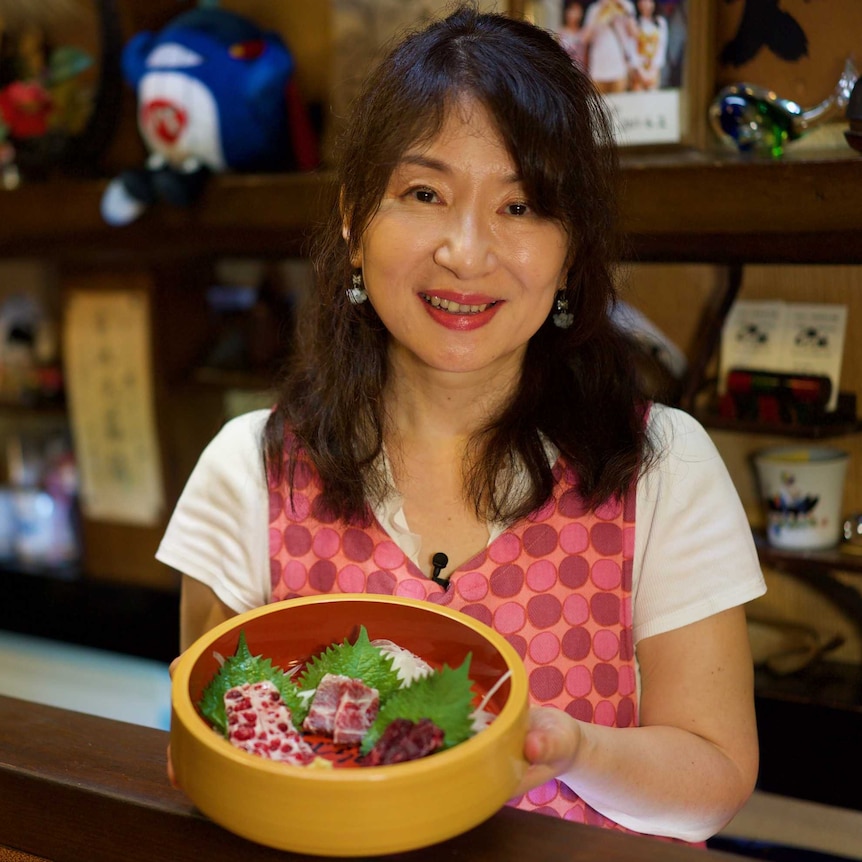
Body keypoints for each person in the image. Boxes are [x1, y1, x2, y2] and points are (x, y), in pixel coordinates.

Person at [158, 4, 765, 845]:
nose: (467, 253)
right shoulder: (248, 471)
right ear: (351, 217)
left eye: (520, 207)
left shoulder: (663, 466)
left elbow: (712, 786)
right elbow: (223, 747)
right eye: (423, 194)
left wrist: (569, 748)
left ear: (571, 250)